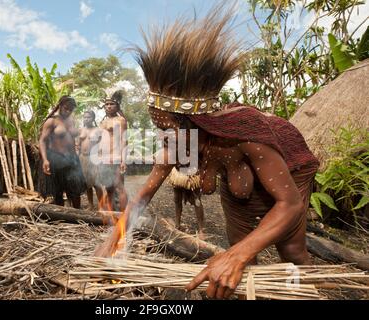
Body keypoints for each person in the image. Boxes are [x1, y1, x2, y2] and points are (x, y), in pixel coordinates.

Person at [95, 5, 320, 300]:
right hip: (237, 179)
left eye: (167, 131)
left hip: (291, 172)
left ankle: (308, 291)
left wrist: (235, 256)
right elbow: (142, 198)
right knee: (240, 255)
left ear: (198, 124)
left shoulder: (246, 135)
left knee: (290, 250)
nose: (162, 141)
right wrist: (114, 237)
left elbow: (289, 204)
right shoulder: (175, 144)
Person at [39, 96, 86, 209]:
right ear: (60, 106)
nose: (68, 111)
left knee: (75, 189)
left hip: (72, 159)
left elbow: (72, 137)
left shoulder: (71, 120)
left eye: (71, 109)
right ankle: (60, 216)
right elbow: (42, 140)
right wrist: (45, 160)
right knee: (58, 191)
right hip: (56, 158)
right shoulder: (51, 121)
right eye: (66, 108)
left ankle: (77, 215)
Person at [97, 91, 128, 212]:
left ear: (117, 106)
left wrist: (123, 160)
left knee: (120, 188)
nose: (109, 106)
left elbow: (124, 141)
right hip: (104, 160)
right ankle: (111, 214)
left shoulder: (120, 120)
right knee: (108, 189)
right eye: (106, 104)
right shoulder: (103, 122)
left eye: (112, 104)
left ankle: (123, 215)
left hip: (115, 158)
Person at [167, 167, 206, 240]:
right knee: (177, 199)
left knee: (197, 200)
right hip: (178, 172)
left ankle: (201, 230)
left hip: (193, 172)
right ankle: (177, 225)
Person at [78, 110, 103, 210]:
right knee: (87, 184)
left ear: (93, 118)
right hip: (82, 158)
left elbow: (101, 145)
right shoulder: (81, 130)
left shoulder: (98, 130)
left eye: (88, 117)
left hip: (94, 157)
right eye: (84, 117)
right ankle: (91, 204)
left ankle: (101, 206)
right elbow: (78, 145)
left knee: (97, 184)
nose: (86, 119)